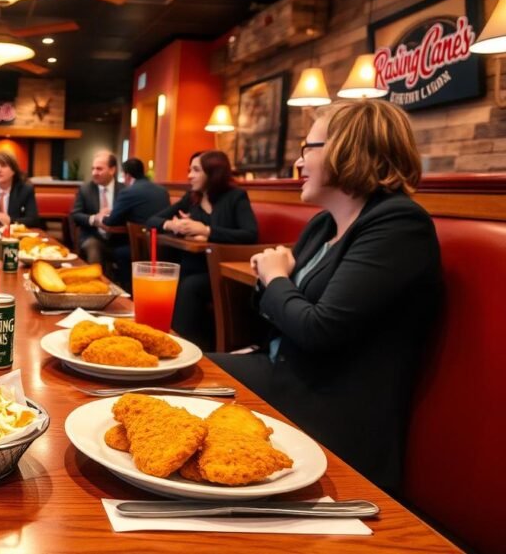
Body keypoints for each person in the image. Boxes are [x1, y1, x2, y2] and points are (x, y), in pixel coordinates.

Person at [210, 100, 442, 494]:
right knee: (173, 376)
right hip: (287, 375)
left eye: (308, 148)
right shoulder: (324, 223)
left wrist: (276, 276)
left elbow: (320, 330)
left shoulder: (399, 225)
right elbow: (278, 314)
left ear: (348, 150)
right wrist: (275, 283)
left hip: (335, 410)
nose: (298, 165)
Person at [146, 150, 258, 348]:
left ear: (213, 172)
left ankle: (182, 346)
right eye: (190, 170)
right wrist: (174, 226)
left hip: (221, 271)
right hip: (193, 265)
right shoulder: (192, 198)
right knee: (165, 278)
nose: (190, 175)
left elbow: (250, 234)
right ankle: (158, 338)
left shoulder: (236, 197)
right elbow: (151, 220)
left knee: (189, 285)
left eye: (196, 170)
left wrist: (206, 230)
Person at [96, 158, 169, 290]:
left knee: (113, 250)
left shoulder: (129, 191)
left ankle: (126, 289)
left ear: (128, 175)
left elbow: (111, 221)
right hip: (164, 247)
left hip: (141, 248)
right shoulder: (162, 190)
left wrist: (101, 216)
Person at [70, 151, 123, 266]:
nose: (94, 173)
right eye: (92, 169)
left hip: (118, 239)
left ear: (112, 170)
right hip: (92, 237)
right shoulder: (85, 189)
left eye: (99, 169)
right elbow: (75, 215)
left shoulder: (124, 190)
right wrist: (95, 219)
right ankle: (96, 282)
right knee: (93, 247)